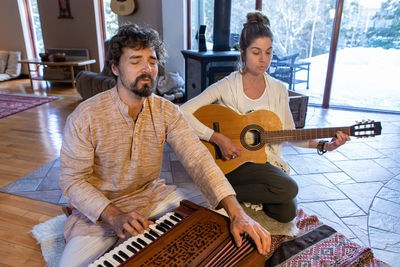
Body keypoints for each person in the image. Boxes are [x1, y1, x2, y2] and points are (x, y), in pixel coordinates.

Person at [58, 24, 270, 267]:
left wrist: (237, 212)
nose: (147, 68)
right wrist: (114, 216)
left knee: (221, 221)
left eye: (152, 60)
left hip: (151, 195)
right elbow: (72, 180)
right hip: (100, 210)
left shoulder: (167, 111)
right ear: (115, 68)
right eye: (136, 61)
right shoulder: (85, 116)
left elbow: (198, 159)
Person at [181, 12, 349, 224]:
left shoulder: (278, 90)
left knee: (286, 212)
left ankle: (225, 193)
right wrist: (217, 138)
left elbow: (291, 133)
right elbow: (182, 112)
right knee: (289, 188)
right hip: (233, 162)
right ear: (242, 52)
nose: (263, 60)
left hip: (265, 162)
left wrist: (325, 145)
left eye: (268, 53)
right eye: (256, 52)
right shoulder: (227, 85)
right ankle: (221, 187)